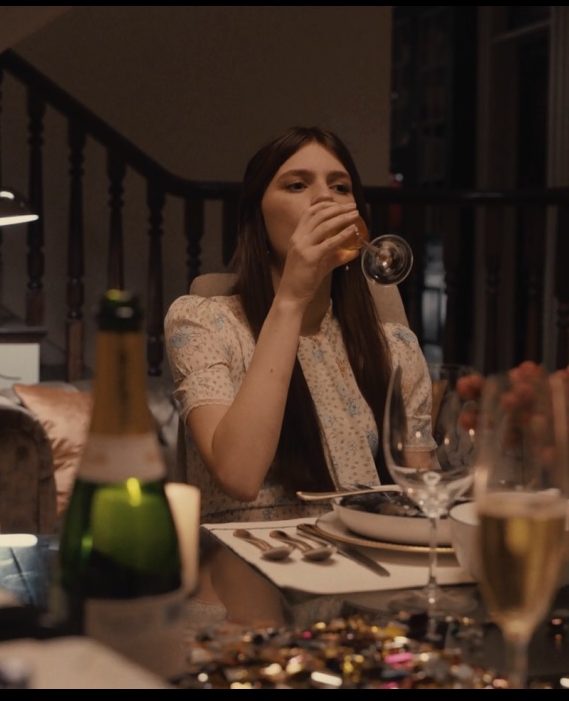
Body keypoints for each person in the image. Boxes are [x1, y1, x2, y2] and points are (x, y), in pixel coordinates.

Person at [165, 126, 434, 525]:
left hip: (361, 553)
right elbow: (238, 475)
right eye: (296, 185)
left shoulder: (395, 347)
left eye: (340, 187)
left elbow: (423, 501)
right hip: (246, 555)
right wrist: (292, 297)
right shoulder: (203, 323)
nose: (325, 198)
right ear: (258, 216)